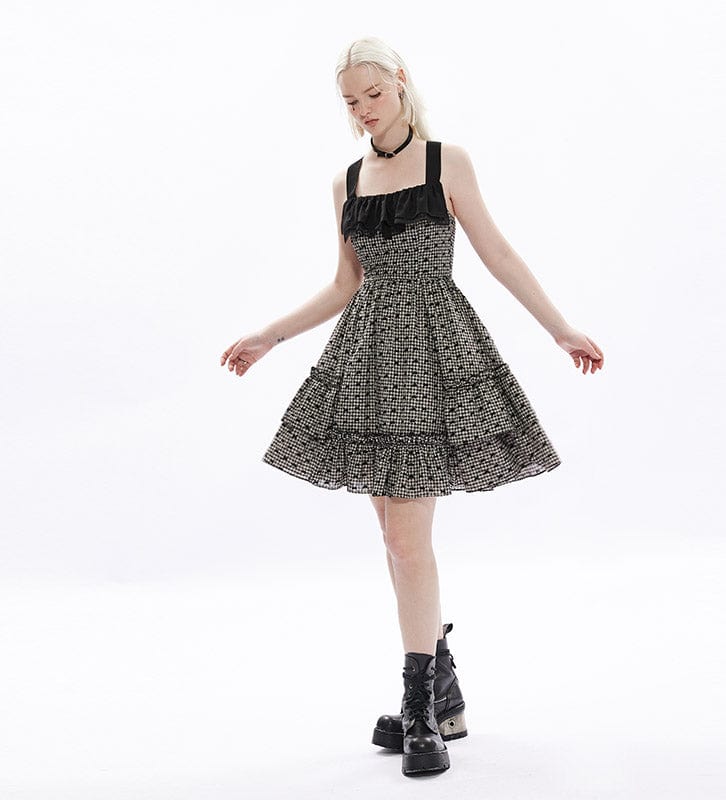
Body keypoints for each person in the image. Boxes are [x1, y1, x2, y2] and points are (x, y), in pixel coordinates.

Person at [220, 36, 604, 778]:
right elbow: (346, 284)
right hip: (368, 357)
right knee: (395, 538)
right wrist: (270, 335)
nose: (363, 110)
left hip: (434, 353)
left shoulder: (446, 162)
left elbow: (497, 253)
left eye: (373, 94)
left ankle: (421, 707)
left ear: (400, 82)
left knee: (405, 539)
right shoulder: (346, 182)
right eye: (351, 101)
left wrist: (560, 328)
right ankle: (440, 690)